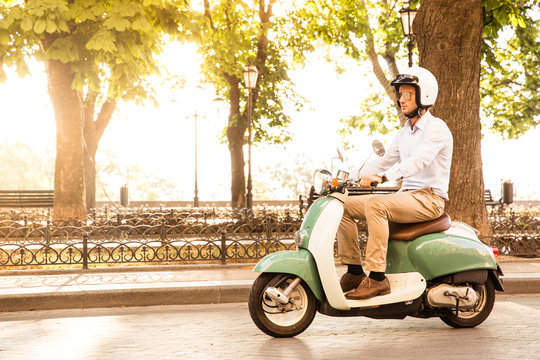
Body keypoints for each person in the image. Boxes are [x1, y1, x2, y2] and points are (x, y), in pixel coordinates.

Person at [338, 66, 453, 300]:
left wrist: (383, 178)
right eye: (400, 95)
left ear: (423, 95)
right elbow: (382, 161)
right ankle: (353, 270)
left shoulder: (436, 128)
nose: (401, 100)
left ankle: (378, 279)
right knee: (341, 205)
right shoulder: (404, 133)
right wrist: (344, 176)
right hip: (408, 196)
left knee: (376, 206)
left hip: (429, 198)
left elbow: (417, 161)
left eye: (407, 94)